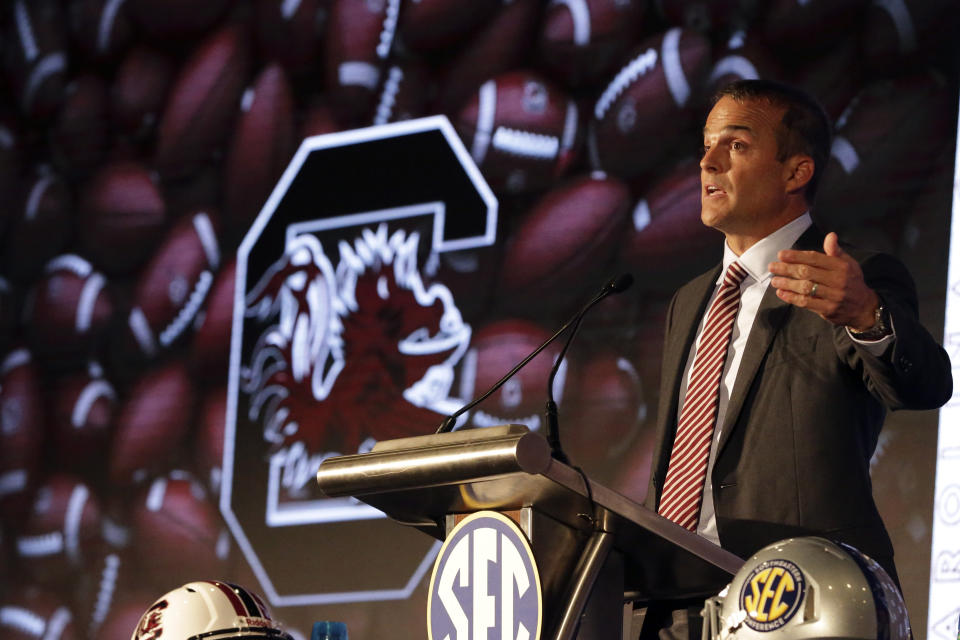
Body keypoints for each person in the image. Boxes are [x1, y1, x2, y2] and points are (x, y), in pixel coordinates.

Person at [639, 79, 952, 636]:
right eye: (707, 145)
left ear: (795, 172)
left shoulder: (847, 278)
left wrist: (866, 315)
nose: (708, 162)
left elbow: (926, 385)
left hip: (797, 600)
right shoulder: (689, 301)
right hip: (678, 610)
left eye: (734, 145)